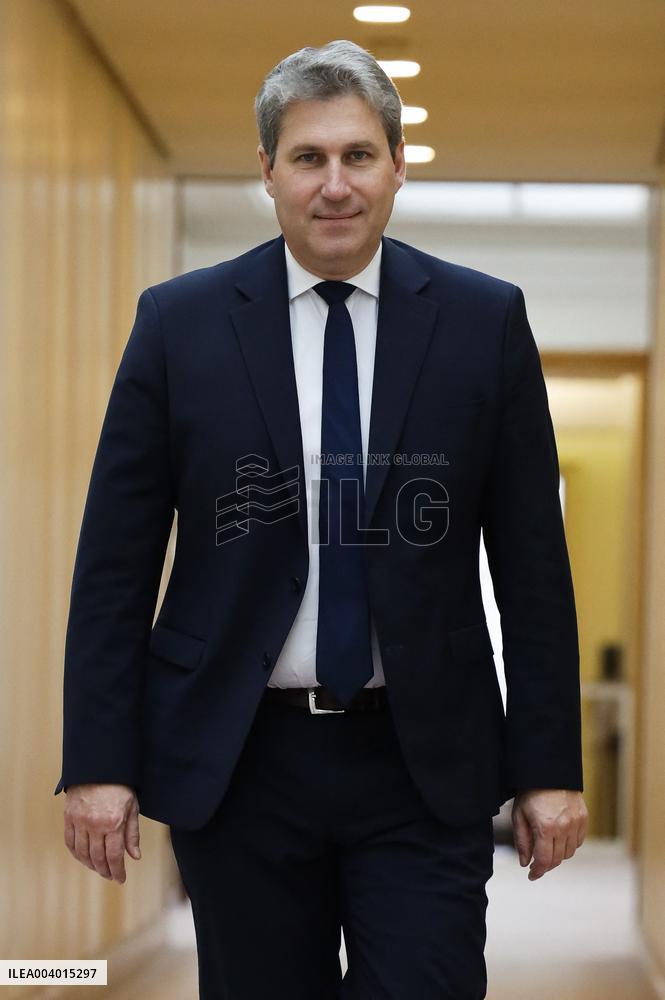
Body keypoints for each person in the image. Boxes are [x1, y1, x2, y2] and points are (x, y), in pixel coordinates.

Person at [55, 39, 588, 1000]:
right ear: (266, 171)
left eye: (357, 156)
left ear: (397, 166)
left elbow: (532, 565)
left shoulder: (481, 321)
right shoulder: (180, 324)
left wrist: (549, 765)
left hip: (422, 761)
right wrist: (97, 760)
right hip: (240, 757)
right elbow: (114, 565)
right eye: (307, 158)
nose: (333, 185)